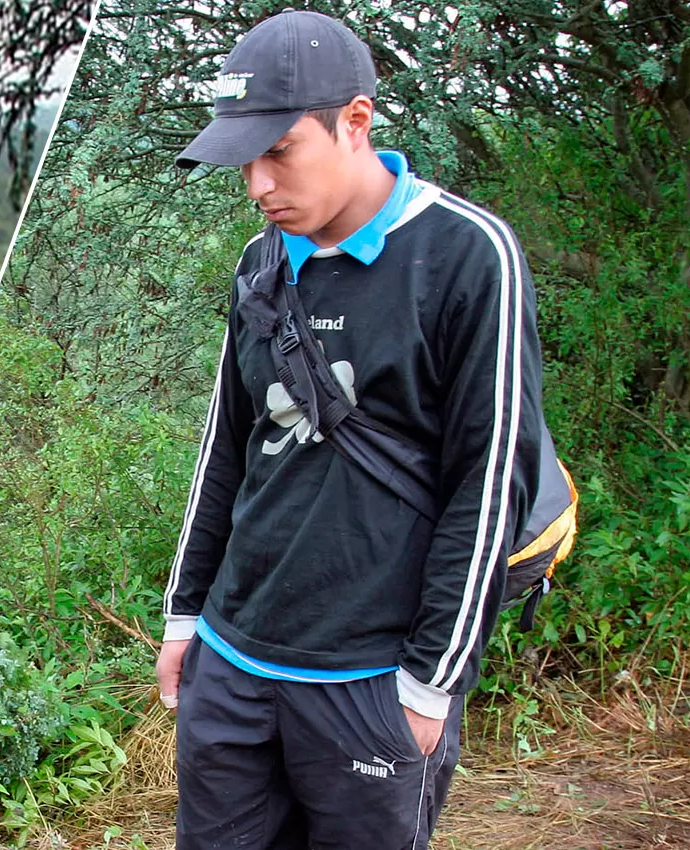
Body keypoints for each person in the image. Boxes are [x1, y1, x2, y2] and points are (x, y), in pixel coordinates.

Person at [156, 10, 545, 849]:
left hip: (369, 681)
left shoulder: (466, 256)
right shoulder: (261, 264)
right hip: (233, 660)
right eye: (244, 161)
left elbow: (488, 483)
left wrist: (429, 688)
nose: (259, 185)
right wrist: (186, 619)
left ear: (357, 122)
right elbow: (227, 444)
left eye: (280, 151)